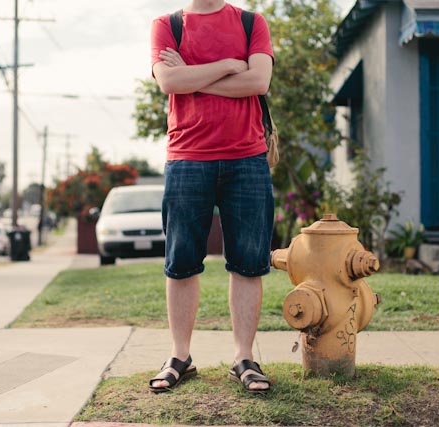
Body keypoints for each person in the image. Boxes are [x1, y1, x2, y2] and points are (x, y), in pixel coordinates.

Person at [148, 0, 275, 394]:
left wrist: (191, 74)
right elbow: (168, 83)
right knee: (181, 260)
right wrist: (227, 65)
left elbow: (258, 83)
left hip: (247, 157)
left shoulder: (252, 23)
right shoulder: (167, 25)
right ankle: (180, 357)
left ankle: (244, 358)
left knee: (248, 262)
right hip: (187, 158)